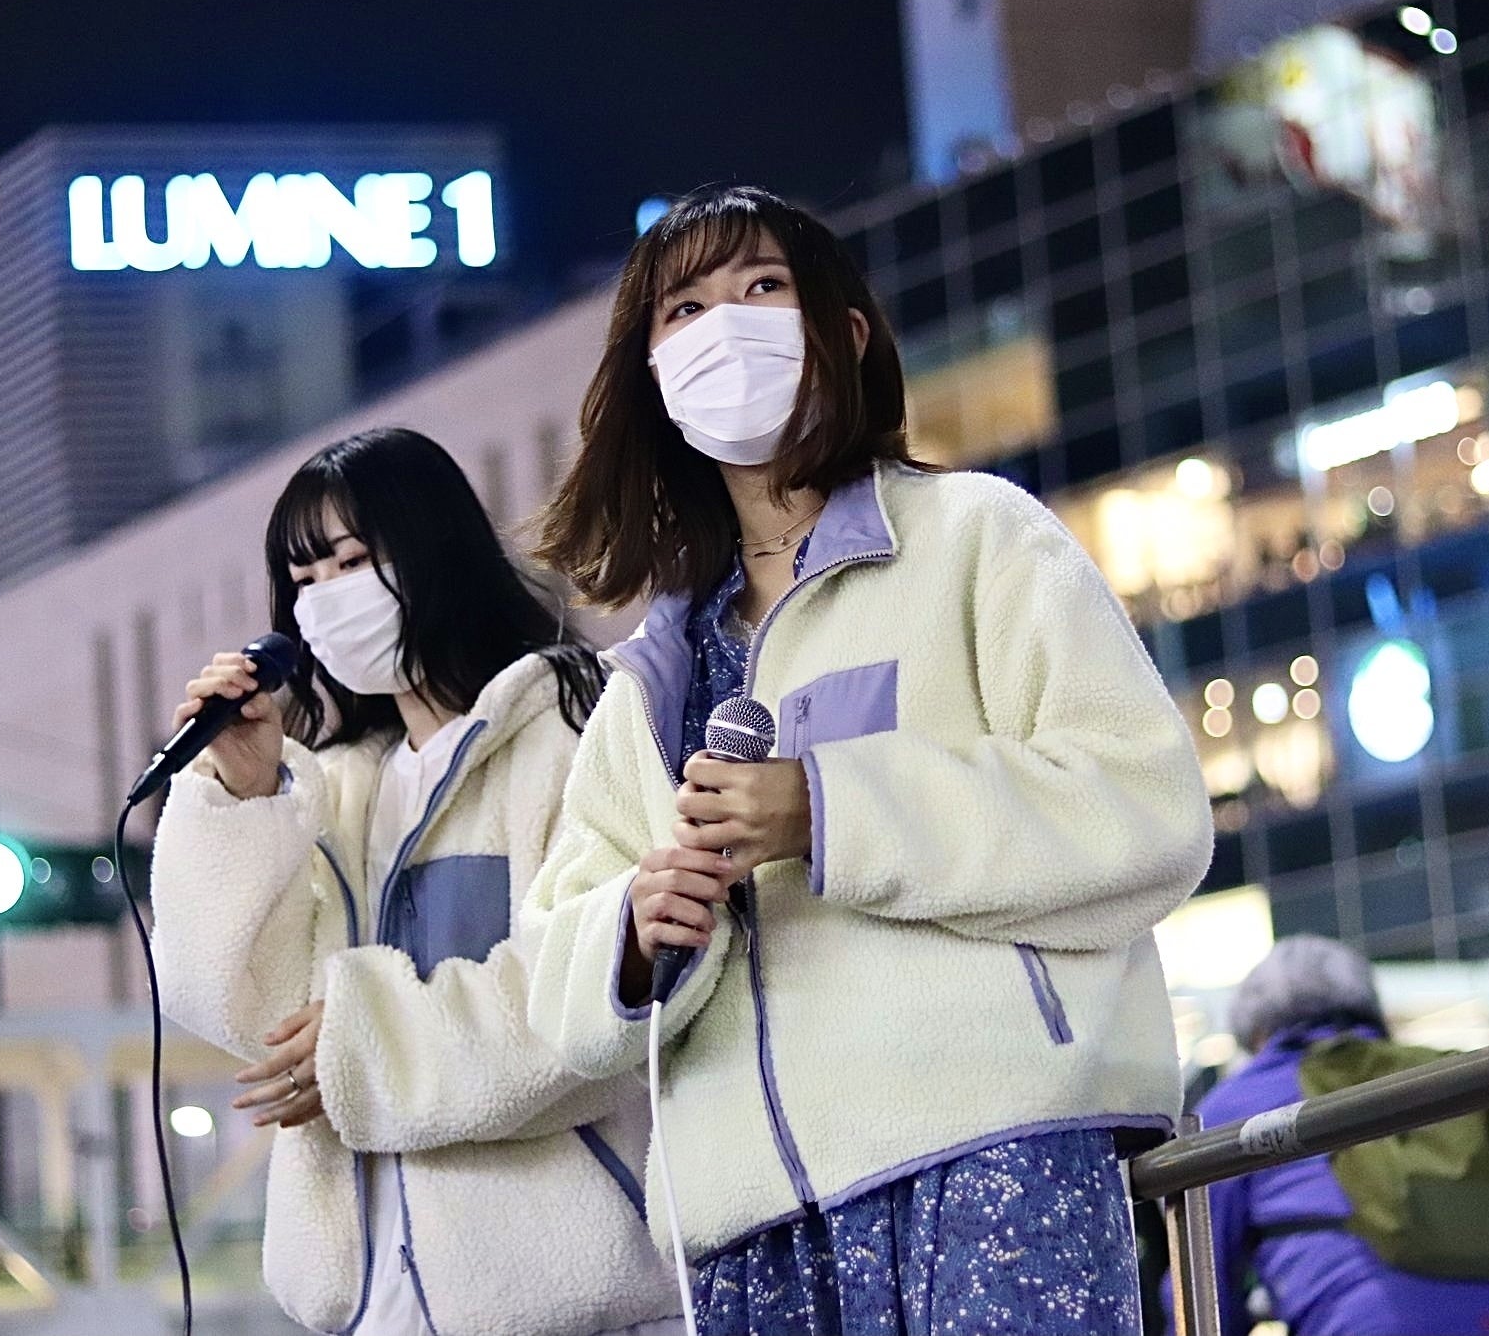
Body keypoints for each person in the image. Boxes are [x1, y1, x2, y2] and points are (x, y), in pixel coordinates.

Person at [520, 184, 1215, 1336]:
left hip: (990, 1152)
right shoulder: (641, 684)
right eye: (682, 310)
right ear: (650, 373)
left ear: (842, 333)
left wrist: (828, 808)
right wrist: (632, 932)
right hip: (749, 1230)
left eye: (760, 288)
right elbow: (552, 978)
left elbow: (1144, 809)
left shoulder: (976, 537)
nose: (722, 327)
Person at [148, 428, 680, 1336]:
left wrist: (363, 1047)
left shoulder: (568, 733)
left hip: (572, 1306)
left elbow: (591, 1000)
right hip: (373, 1310)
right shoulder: (334, 790)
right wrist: (242, 794)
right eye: (304, 578)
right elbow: (243, 1009)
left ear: (435, 547)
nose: (325, 597)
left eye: (352, 562)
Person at [1182, 935, 1489, 1336]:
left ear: (1258, 1032)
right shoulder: (1453, 1073)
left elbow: (1201, 1284)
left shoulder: (1238, 1106)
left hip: (1376, 1321)